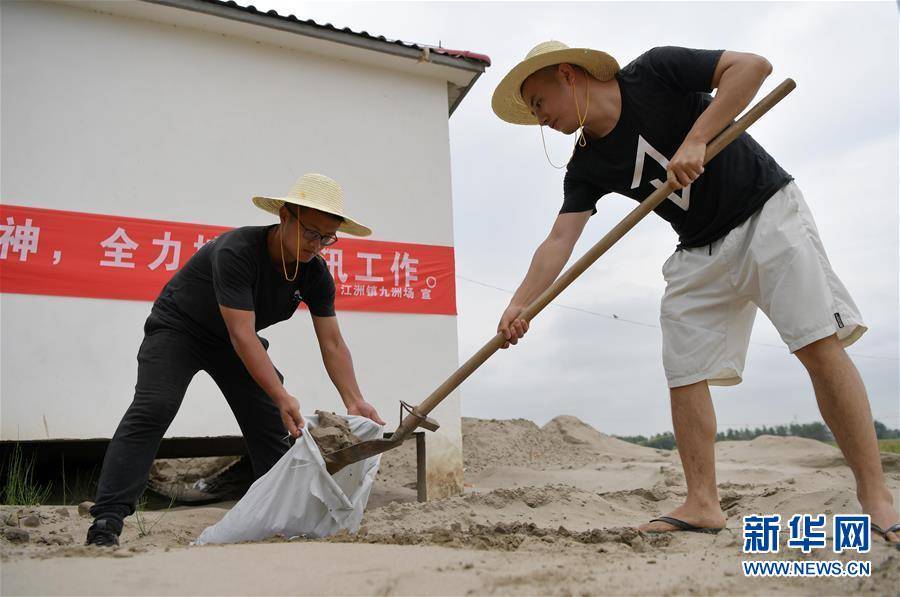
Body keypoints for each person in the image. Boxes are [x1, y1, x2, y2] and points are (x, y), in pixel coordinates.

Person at [490, 41, 899, 543]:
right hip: (698, 248)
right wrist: (519, 305)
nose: (539, 118)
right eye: (532, 111)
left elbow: (752, 68)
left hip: (764, 212)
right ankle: (703, 502)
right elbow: (559, 241)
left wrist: (698, 139)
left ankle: (876, 498)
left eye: (538, 101)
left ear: (569, 75)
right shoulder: (588, 164)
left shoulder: (654, 72)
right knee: (684, 368)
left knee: (816, 343)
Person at [85, 173, 385, 547]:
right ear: (285, 217)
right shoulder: (237, 251)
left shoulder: (316, 274)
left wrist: (354, 400)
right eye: (311, 232)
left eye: (327, 238)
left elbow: (333, 342)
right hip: (179, 330)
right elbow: (242, 333)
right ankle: (107, 520)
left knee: (277, 430)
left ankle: (280, 522)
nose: (318, 245)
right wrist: (280, 393)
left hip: (234, 344)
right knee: (154, 407)